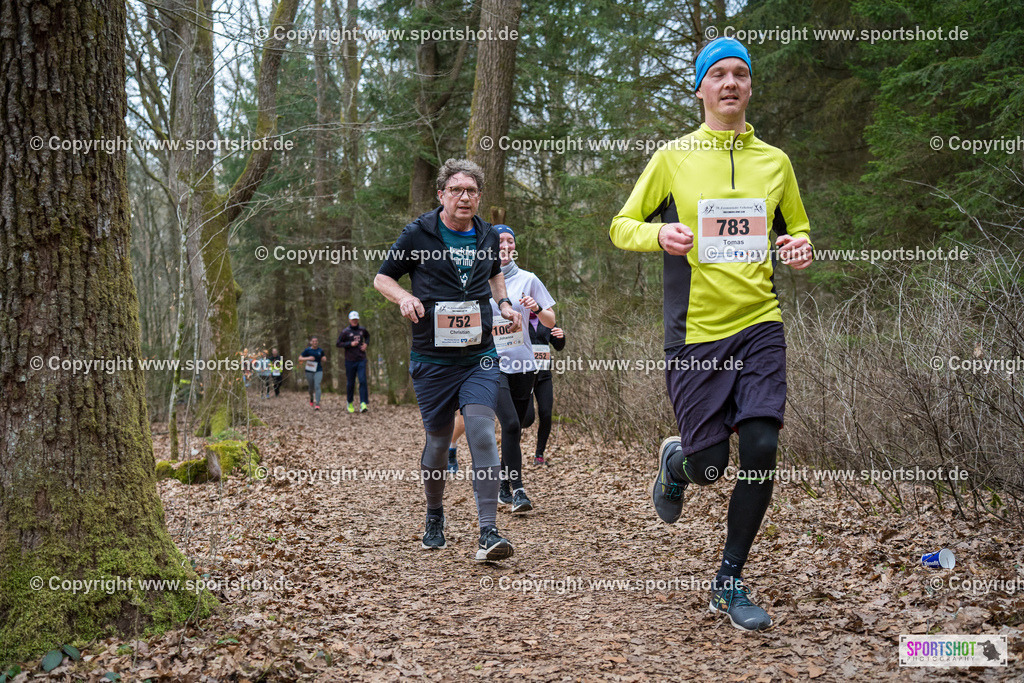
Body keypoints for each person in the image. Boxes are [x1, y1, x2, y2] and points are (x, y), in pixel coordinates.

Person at [610, 37, 813, 632]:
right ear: (700, 88)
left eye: (740, 75)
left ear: (750, 89)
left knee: (761, 448)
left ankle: (729, 579)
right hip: (694, 332)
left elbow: (796, 230)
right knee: (708, 467)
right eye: (717, 75)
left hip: (759, 324)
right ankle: (678, 461)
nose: (730, 83)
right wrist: (658, 237)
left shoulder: (775, 162)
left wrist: (798, 248)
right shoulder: (672, 157)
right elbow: (621, 225)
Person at [373, 158, 522, 561]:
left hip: (479, 356)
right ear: (441, 195)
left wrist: (504, 303)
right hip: (432, 359)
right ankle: (434, 514)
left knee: (482, 433)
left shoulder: (489, 235)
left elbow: (494, 273)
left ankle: (488, 531)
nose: (464, 197)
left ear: (479, 197)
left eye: (472, 191)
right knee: (439, 443)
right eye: (456, 190)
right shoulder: (418, 233)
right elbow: (382, 277)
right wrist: (404, 297)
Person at [448, 225, 555, 515]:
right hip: (490, 363)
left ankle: (507, 480)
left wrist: (536, 310)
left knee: (520, 424)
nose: (505, 245)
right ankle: (518, 489)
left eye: (510, 240)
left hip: (523, 363)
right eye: (499, 241)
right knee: (509, 424)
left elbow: (550, 320)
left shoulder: (528, 279)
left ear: (514, 247)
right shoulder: (476, 280)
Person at [521, 314, 565, 465]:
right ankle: (513, 443)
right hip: (524, 375)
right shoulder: (518, 317)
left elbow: (559, 346)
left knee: (546, 414)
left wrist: (561, 336)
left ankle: (539, 454)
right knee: (526, 419)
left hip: (544, 375)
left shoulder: (546, 319)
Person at [337, 311, 370, 413]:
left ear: (358, 319)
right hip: (350, 360)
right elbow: (338, 343)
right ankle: (350, 402)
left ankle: (363, 403)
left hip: (361, 359)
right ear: (349, 320)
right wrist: (350, 344)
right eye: (353, 319)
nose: (354, 321)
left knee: (363, 381)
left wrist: (366, 344)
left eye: (356, 319)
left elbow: (368, 336)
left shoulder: (362, 330)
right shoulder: (345, 332)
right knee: (351, 383)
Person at [298, 337, 327, 410]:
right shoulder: (307, 350)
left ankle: (317, 403)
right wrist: (308, 358)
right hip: (309, 371)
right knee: (311, 387)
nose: (315, 342)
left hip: (318, 370)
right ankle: (311, 397)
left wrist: (324, 359)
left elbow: (324, 357)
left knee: (317, 385)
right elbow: (300, 358)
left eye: (316, 341)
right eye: (313, 341)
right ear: (311, 342)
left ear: (317, 342)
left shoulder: (320, 350)